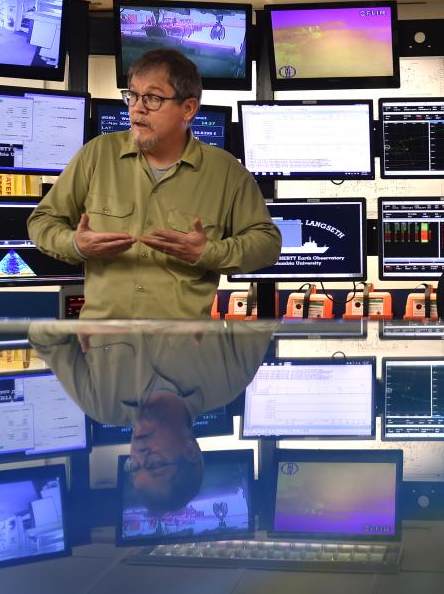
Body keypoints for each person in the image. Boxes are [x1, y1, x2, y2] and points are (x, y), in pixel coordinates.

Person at [28, 48, 280, 319]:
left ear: (188, 108)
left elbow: (267, 243)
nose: (137, 107)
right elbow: (42, 221)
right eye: (133, 95)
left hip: (184, 352)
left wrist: (208, 252)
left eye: (153, 98)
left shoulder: (227, 172)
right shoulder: (98, 154)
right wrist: (75, 245)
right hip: (103, 349)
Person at [28, 320, 274, 514]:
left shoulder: (101, 403)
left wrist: (77, 316)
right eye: (155, 464)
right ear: (190, 451)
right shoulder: (229, 380)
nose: (139, 454)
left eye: (134, 466)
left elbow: (44, 341)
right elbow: (261, 304)